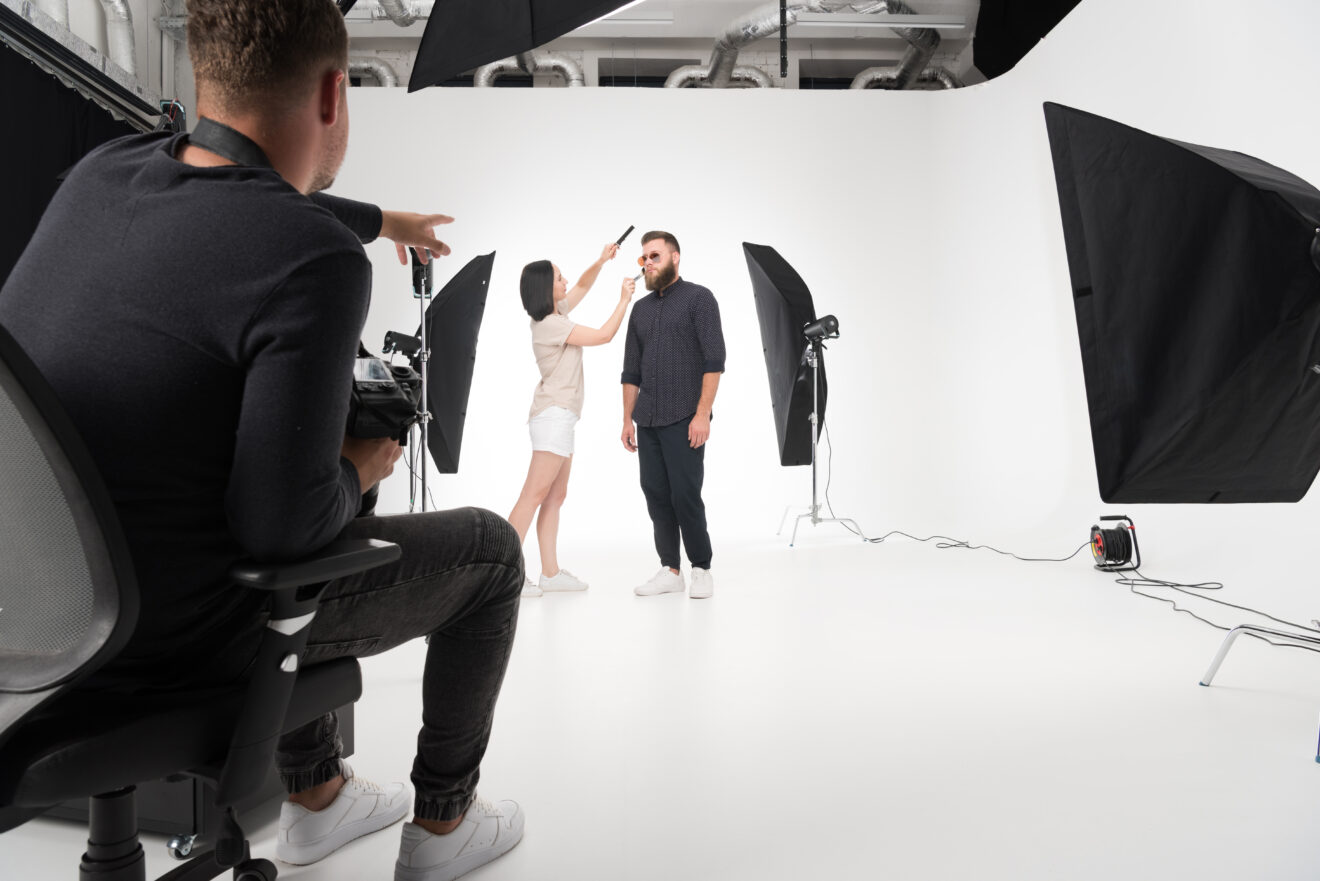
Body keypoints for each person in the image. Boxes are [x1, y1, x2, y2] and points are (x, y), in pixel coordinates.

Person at [0, 2, 524, 879]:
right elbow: (283, 526)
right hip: (176, 641)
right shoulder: (312, 259)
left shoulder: (99, 175)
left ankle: (318, 793)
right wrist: (360, 467)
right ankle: (445, 825)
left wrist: (381, 218)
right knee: (491, 554)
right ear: (333, 92)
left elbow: (233, 196)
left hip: (45, 622)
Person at [509, 246, 636, 597]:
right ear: (545, 287)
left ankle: (550, 573)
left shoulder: (556, 313)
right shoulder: (550, 325)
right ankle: (505, 574)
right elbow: (603, 336)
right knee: (532, 495)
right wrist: (624, 300)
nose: (566, 280)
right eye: (559, 277)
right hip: (552, 417)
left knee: (554, 497)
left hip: (561, 417)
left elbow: (581, 285)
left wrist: (601, 261)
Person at [621, 231, 726, 599]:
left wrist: (703, 415)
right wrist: (626, 419)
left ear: (675, 257)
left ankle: (701, 568)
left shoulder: (699, 299)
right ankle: (670, 569)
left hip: (685, 416)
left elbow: (714, 362)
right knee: (656, 494)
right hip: (647, 418)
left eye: (655, 256)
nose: (648, 264)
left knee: (685, 494)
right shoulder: (641, 309)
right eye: (644, 259)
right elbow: (630, 371)